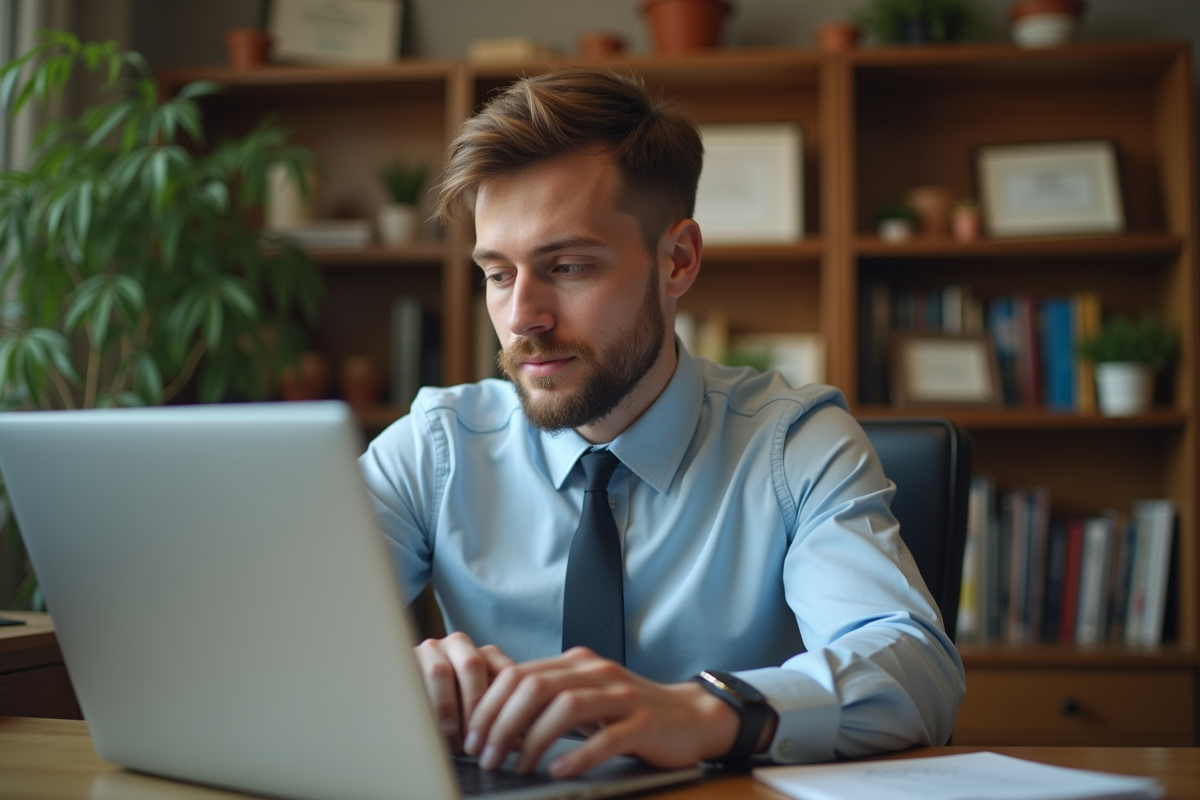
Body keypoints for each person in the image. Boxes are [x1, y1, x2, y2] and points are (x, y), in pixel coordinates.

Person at [360, 67, 964, 780]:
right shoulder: (433, 448)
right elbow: (275, 633)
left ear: (677, 260)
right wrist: (394, 675)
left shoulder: (795, 444)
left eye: (569, 266)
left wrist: (706, 712)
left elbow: (915, 666)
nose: (522, 317)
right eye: (497, 274)